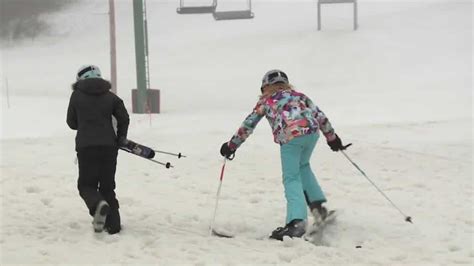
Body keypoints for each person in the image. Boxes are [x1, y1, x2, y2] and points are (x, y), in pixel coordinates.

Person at [220, 69, 348, 240]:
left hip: (291, 137)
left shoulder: (266, 101)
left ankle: (296, 222)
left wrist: (231, 146)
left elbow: (248, 125)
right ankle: (319, 209)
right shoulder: (300, 96)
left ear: (265, 87)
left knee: (291, 177)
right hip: (311, 133)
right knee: (303, 166)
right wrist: (332, 139)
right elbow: (320, 116)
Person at [67, 65, 129, 234]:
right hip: (109, 147)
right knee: (107, 187)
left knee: (86, 185)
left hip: (86, 147)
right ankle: (113, 225)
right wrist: (121, 137)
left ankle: (97, 206)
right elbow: (124, 118)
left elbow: (71, 123)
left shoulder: (76, 96)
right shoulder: (111, 97)